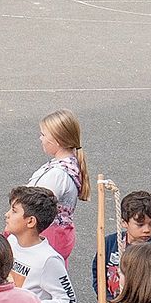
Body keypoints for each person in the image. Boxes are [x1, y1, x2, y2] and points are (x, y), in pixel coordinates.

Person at [27, 109, 87, 261]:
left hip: (46, 236)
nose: (40, 138)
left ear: (58, 140)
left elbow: (36, 206)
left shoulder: (57, 174)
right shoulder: (62, 166)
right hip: (54, 235)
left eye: (44, 134)